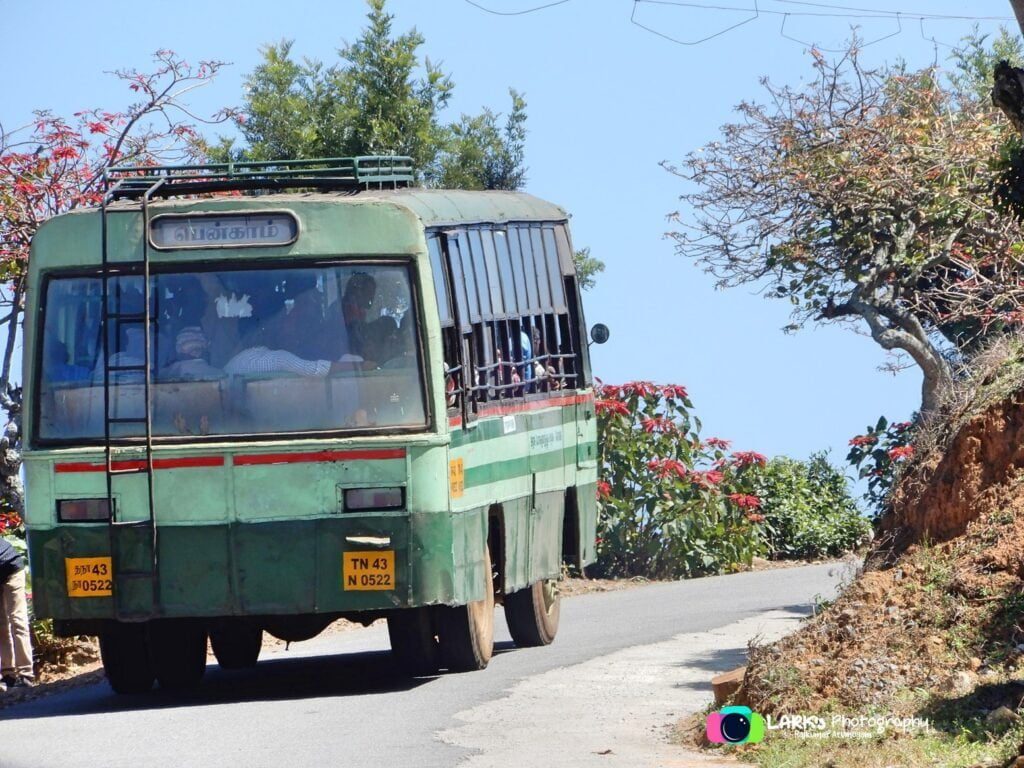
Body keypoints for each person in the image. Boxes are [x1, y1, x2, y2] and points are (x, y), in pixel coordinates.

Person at [0, 538, 34, 691]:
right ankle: (8, 674)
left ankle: (26, 674)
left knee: (17, 619)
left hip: (12, 570)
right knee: (1, 625)